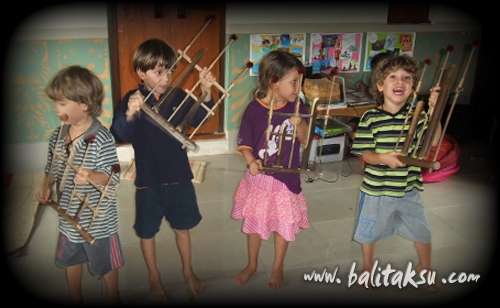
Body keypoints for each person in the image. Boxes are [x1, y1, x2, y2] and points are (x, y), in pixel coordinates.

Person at [110, 38, 216, 300]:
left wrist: (206, 93)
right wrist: (132, 113)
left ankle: (188, 271)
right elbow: (119, 133)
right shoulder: (131, 99)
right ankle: (154, 276)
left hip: (179, 176)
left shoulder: (178, 95)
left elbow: (198, 119)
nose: (167, 77)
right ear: (141, 73)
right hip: (148, 180)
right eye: (159, 72)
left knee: (183, 228)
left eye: (169, 70)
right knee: (147, 232)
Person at [350, 54, 441, 293]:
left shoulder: (418, 116)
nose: (400, 81)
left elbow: (434, 140)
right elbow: (365, 155)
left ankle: (426, 266)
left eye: (407, 78)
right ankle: (368, 269)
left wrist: (434, 111)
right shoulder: (370, 117)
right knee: (368, 232)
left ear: (413, 87)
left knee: (422, 231)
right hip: (376, 191)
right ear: (380, 85)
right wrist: (383, 159)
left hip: (408, 189)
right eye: (393, 77)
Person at [35, 65, 123, 305]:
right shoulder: (58, 135)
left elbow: (113, 174)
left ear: (84, 104)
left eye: (62, 104)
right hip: (68, 219)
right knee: (71, 259)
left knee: (104, 262)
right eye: (55, 103)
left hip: (98, 223)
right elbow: (51, 168)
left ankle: (114, 295)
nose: (55, 109)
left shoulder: (102, 138)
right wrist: (46, 185)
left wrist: (91, 175)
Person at [231, 50, 310, 289]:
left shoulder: (298, 105)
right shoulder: (254, 110)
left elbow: (305, 140)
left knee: (283, 225)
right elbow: (244, 144)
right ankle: (252, 264)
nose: (298, 87)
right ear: (274, 82)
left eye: (299, 81)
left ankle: (278, 267)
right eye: (293, 81)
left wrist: (301, 123)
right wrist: (251, 161)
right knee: (255, 222)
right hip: (260, 181)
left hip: (287, 181)